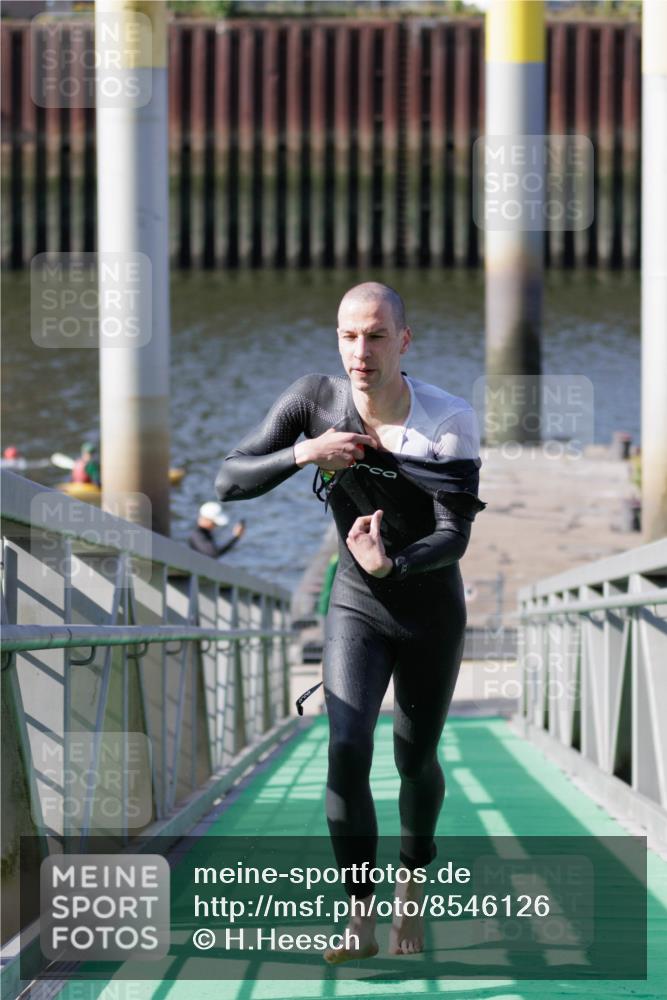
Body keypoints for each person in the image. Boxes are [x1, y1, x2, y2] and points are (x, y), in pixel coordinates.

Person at [215, 282, 485, 962]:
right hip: (355, 606)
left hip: (427, 606)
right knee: (344, 747)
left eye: (373, 335)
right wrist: (304, 454)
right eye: (346, 336)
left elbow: (454, 534)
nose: (358, 352)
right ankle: (360, 918)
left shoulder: (446, 419)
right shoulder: (314, 401)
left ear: (402, 340)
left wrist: (394, 564)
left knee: (413, 758)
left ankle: (410, 894)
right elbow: (228, 480)